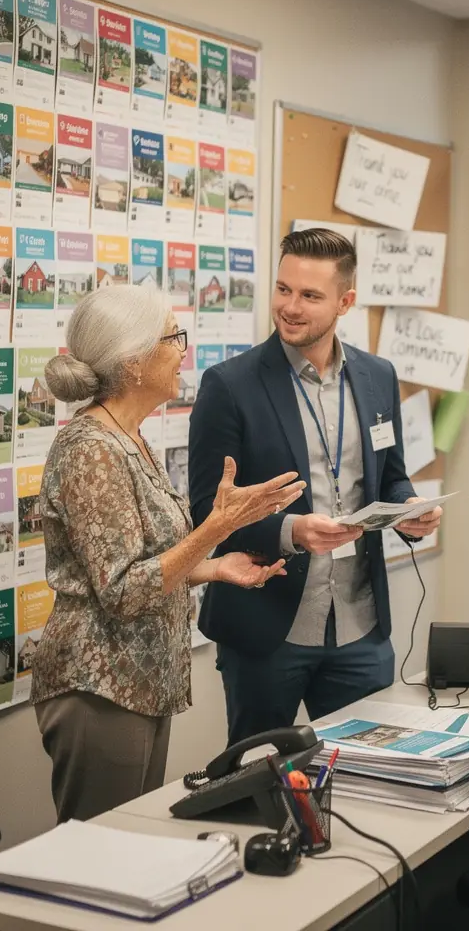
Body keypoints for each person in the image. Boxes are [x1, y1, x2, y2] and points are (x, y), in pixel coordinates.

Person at [30, 285, 305, 822]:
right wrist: (218, 527)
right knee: (99, 859)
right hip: (100, 687)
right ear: (133, 361)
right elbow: (124, 592)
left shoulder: (128, 436)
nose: (184, 350)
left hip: (141, 683)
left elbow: (145, 564)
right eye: (173, 337)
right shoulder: (91, 449)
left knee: (130, 847)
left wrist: (213, 567)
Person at [188, 229, 442, 744]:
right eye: (283, 290)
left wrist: (409, 508)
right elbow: (204, 511)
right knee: (262, 781)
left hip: (360, 627)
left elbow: (389, 474)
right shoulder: (229, 385)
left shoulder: (377, 377)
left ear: (346, 301)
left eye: (309, 295)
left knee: (372, 777)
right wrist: (291, 530)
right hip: (267, 628)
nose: (290, 307)